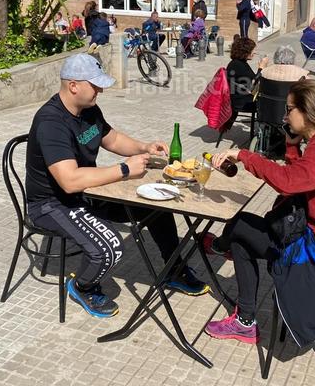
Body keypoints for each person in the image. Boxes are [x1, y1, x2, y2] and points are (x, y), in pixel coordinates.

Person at [24, 54, 209, 318]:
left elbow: (112, 139)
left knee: (156, 205)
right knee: (110, 248)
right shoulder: (51, 122)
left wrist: (144, 147)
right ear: (73, 85)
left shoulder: (88, 110)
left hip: (86, 193)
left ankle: (173, 270)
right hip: (52, 204)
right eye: (95, 84)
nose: (100, 89)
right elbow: (69, 181)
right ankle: (82, 286)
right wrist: (124, 170)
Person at [202, 80, 315, 343]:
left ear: (308, 112)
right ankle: (223, 253)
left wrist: (245, 156)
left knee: (240, 227)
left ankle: (244, 318)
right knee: (244, 233)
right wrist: (292, 147)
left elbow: (287, 182)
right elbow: (303, 180)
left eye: (290, 109)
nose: (285, 116)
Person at [227, 37, 268, 113]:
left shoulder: (236, 63)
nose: (254, 52)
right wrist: (261, 68)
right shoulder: (239, 65)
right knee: (270, 100)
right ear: (245, 51)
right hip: (242, 102)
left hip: (236, 98)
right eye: (252, 50)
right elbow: (254, 85)